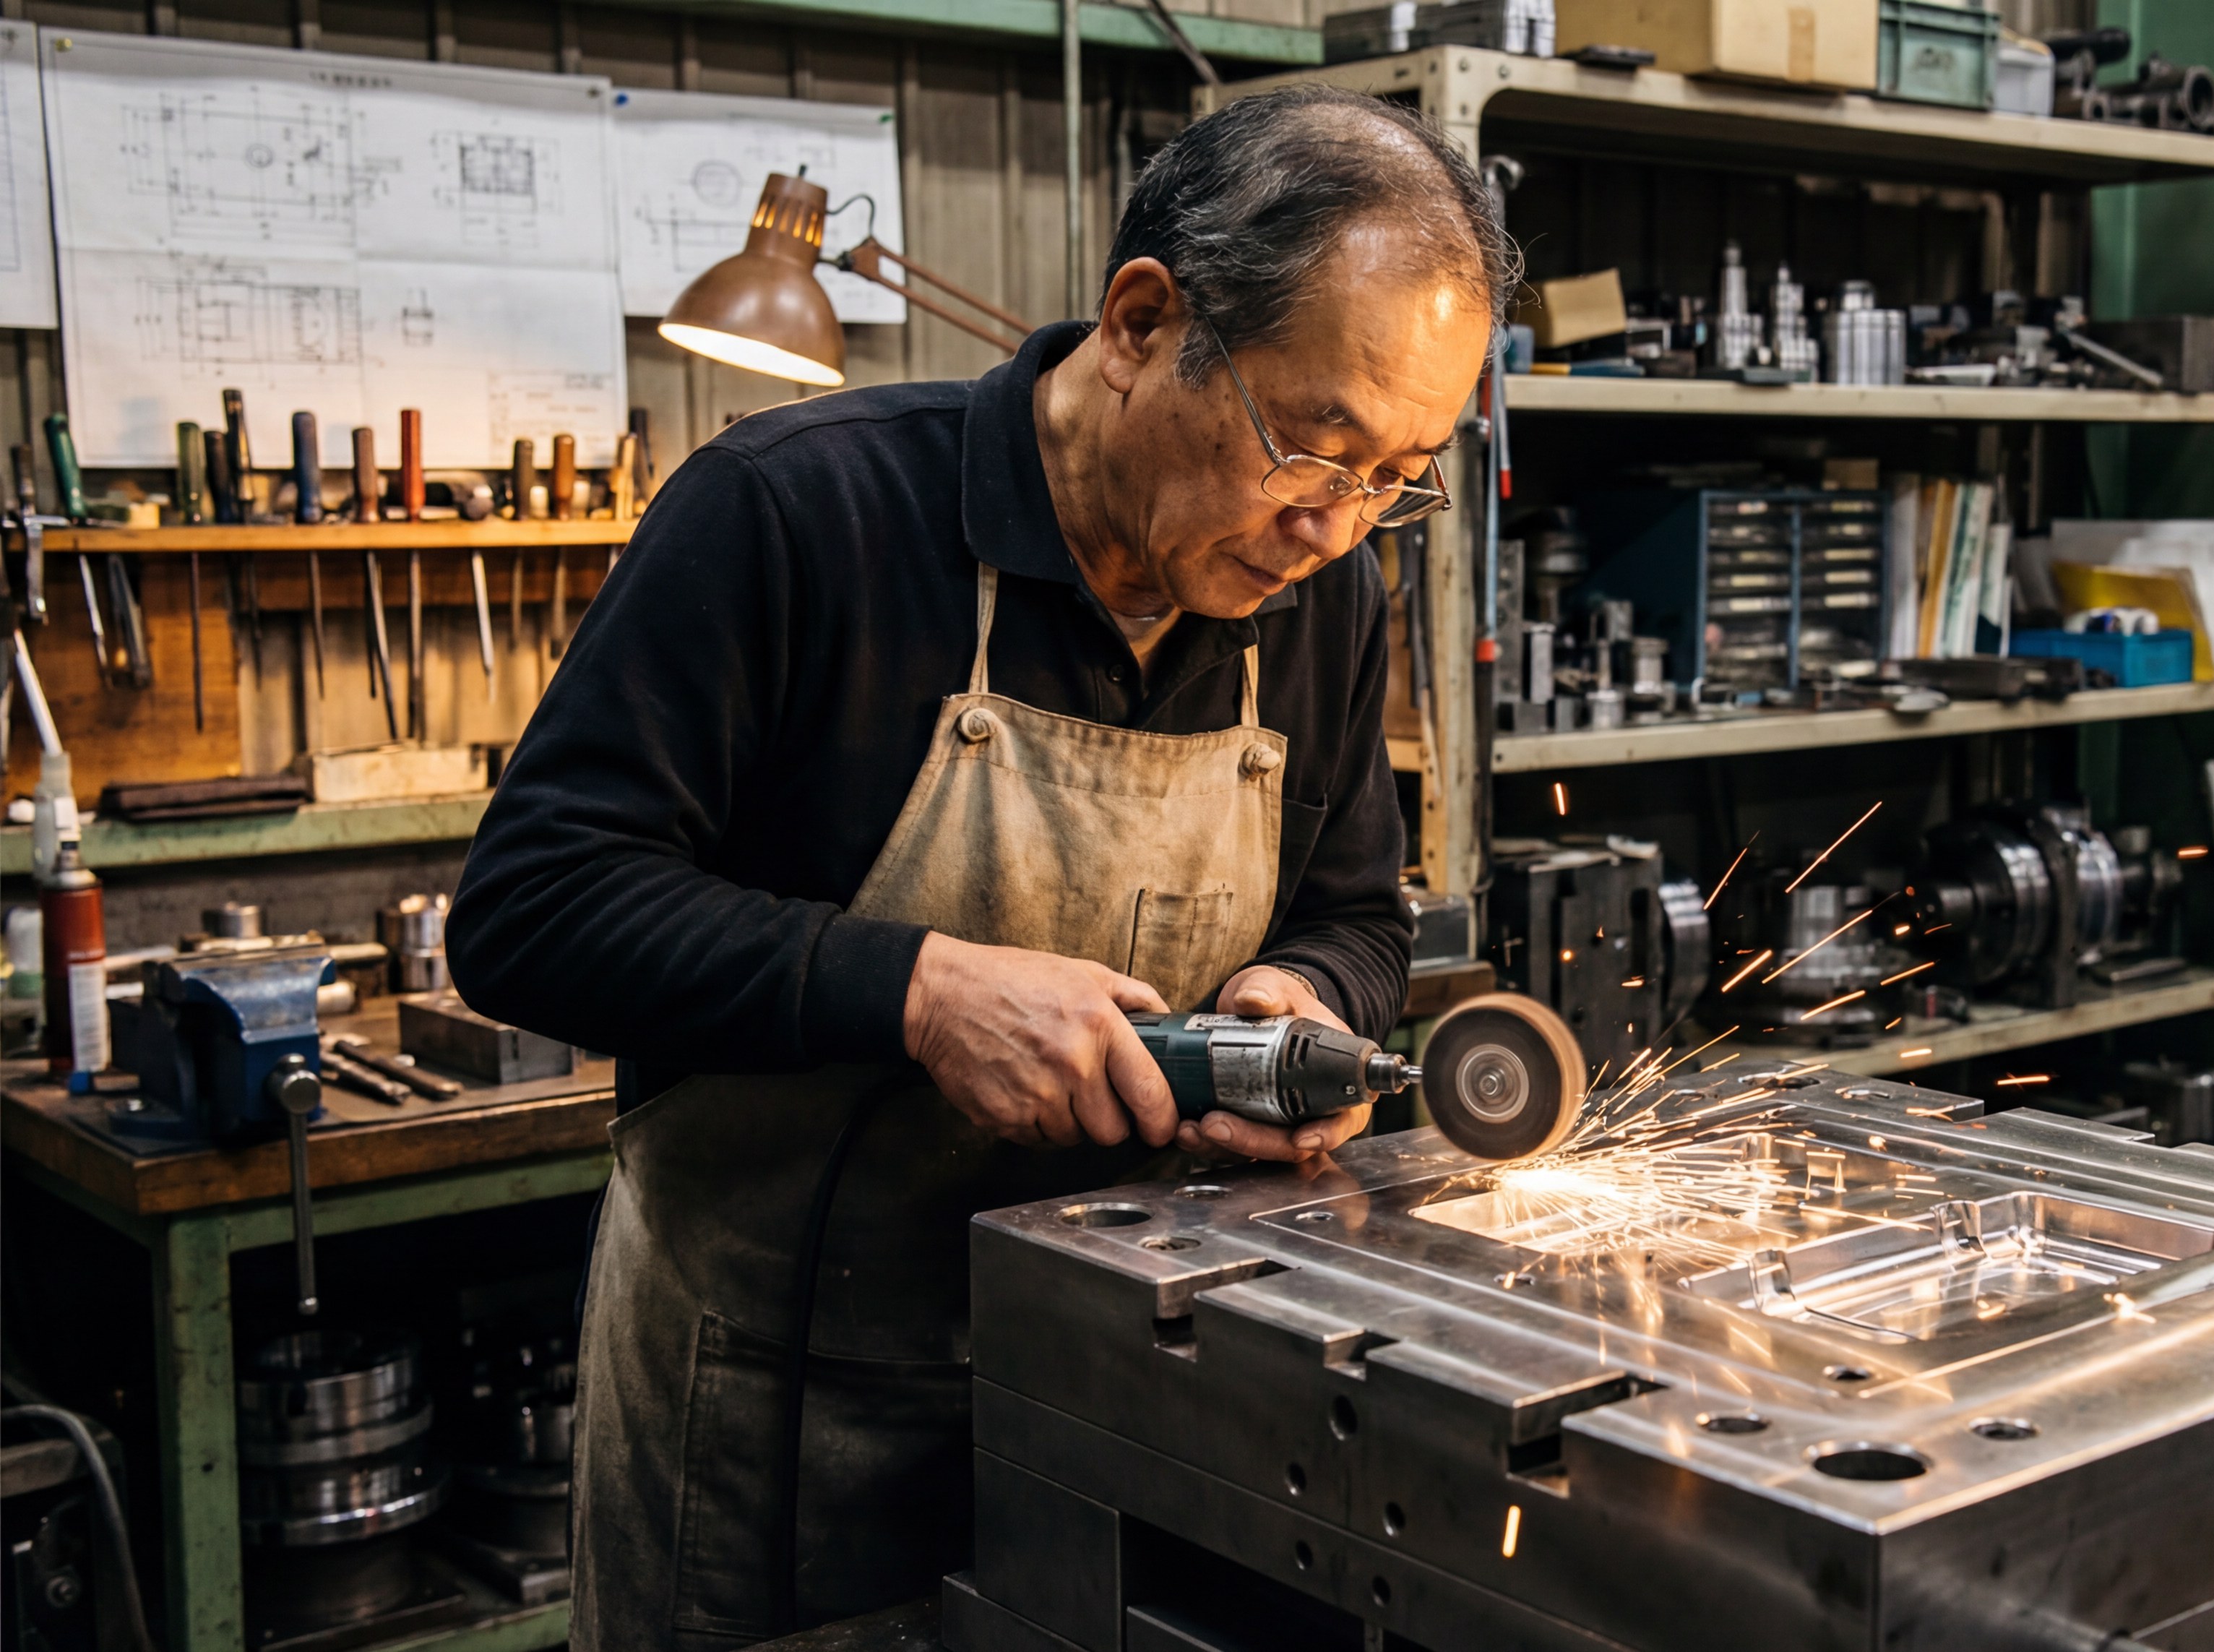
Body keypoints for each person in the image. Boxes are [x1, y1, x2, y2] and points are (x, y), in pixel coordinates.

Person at [446, 85, 1517, 1650]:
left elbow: (1356, 908)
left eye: (1395, 480)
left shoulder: (1321, 602)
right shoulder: (794, 514)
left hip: (1135, 1386)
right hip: (775, 1405)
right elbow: (532, 906)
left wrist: (1296, 999)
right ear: (1143, 321)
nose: (1335, 530)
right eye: (1315, 448)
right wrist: (919, 991)